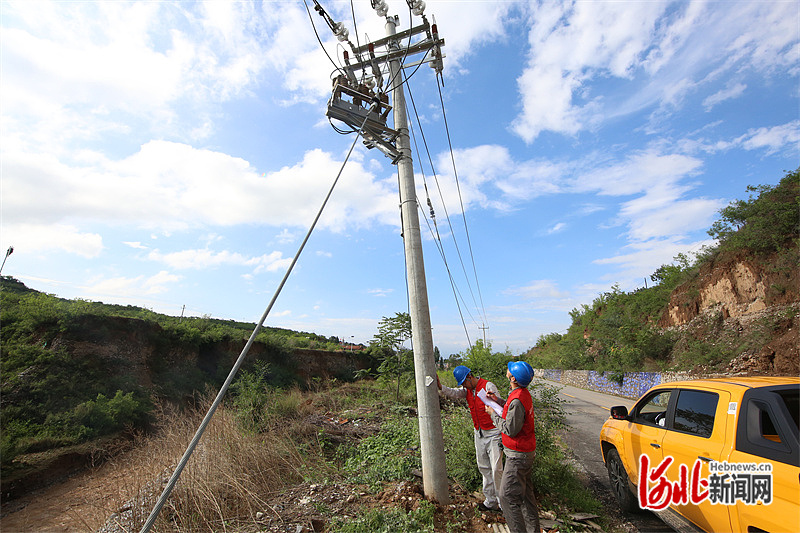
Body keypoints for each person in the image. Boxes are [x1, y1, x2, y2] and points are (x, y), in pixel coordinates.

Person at [438, 365, 505, 512]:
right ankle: (490, 501)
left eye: (464, 383)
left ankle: (502, 503)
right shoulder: (467, 391)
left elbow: (500, 407)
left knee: (496, 469)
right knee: (484, 467)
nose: (463, 386)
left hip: (493, 432)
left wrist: (493, 399)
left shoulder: (487, 385)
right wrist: (440, 386)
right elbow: (454, 393)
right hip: (479, 433)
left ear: (469, 377)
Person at [485, 361, 541, 533]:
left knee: (507, 497)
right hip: (525, 453)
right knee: (526, 497)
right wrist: (497, 400)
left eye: (510, 371)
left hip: (518, 456)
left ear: (514, 377)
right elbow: (512, 411)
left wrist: (493, 414)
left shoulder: (517, 399)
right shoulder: (521, 393)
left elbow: (510, 428)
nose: (508, 371)